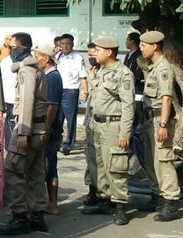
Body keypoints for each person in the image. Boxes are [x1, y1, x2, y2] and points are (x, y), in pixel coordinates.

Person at [0, 32, 49, 235]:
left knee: (13, 170)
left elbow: (27, 101)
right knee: (36, 173)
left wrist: (22, 132)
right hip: (40, 129)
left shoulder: (26, 71)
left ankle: (19, 216)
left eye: (13, 47)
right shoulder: (36, 68)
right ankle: (37, 215)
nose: (11, 51)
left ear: (23, 48)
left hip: (28, 129)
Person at [81, 36, 135, 225]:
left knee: (116, 165)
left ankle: (120, 205)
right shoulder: (101, 71)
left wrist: (124, 133)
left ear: (109, 51)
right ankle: (105, 200)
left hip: (114, 125)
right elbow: (93, 101)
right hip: (96, 125)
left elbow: (128, 105)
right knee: (98, 165)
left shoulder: (123, 73)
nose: (94, 53)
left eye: (98, 49)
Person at [139, 30, 181, 221]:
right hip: (150, 119)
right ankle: (157, 196)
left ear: (154, 46)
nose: (141, 48)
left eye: (143, 45)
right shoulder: (153, 67)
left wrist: (163, 124)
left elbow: (166, 99)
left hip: (159, 120)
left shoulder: (163, 68)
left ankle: (170, 201)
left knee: (164, 161)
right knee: (151, 160)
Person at [32, 43, 62, 215]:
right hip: (46, 129)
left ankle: (52, 203)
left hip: (50, 131)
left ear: (46, 58)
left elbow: (52, 106)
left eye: (37, 56)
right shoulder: (46, 75)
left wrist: (46, 128)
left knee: (49, 166)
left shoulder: (53, 77)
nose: (35, 60)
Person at [55, 34, 89, 154]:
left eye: (67, 44)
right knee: (57, 119)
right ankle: (57, 142)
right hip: (57, 90)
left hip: (71, 91)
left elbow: (83, 76)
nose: (65, 46)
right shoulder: (57, 57)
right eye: (62, 43)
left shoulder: (77, 58)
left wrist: (85, 91)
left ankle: (69, 144)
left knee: (70, 120)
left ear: (72, 44)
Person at [124, 31, 147, 171]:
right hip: (129, 94)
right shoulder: (128, 55)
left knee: (138, 124)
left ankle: (139, 155)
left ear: (132, 41)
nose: (126, 41)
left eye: (127, 39)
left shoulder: (138, 56)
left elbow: (137, 75)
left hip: (138, 94)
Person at [82, 42, 100, 207]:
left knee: (102, 162)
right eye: (89, 55)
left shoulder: (108, 73)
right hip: (91, 122)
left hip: (104, 125)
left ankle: (103, 195)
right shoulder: (93, 71)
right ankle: (92, 190)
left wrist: (92, 79)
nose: (91, 57)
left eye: (93, 54)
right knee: (90, 159)